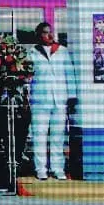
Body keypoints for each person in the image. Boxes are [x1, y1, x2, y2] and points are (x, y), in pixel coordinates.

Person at [28, 22, 76, 181]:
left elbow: (69, 74)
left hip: (60, 100)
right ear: (39, 35)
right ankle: (41, 169)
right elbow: (28, 79)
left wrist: (72, 96)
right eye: (45, 33)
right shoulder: (32, 53)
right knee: (39, 136)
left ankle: (58, 168)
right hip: (40, 100)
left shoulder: (62, 51)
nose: (50, 36)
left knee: (58, 136)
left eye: (51, 32)